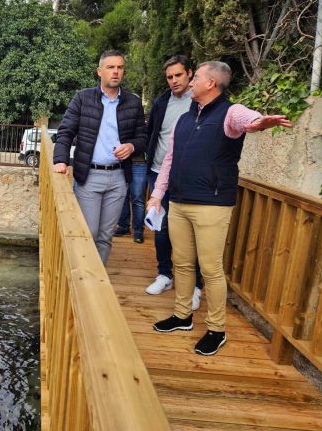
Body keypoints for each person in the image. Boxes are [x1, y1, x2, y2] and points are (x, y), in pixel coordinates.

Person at [146, 61, 291, 356]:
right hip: (179, 201)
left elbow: (246, 120)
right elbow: (169, 160)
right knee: (182, 264)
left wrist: (260, 122)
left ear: (211, 83)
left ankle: (216, 329)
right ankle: (183, 316)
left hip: (211, 205)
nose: (191, 80)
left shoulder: (230, 112)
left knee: (210, 270)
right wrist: (157, 195)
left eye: (196, 76)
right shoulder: (185, 119)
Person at [53, 50, 147, 264]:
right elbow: (65, 131)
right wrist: (60, 160)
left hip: (119, 178)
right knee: (88, 233)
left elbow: (143, 137)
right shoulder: (83, 98)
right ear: (99, 71)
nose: (116, 72)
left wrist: (132, 146)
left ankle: (99, 280)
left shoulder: (133, 102)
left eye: (120, 67)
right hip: (89, 175)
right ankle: (83, 281)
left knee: (105, 237)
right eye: (110, 67)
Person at [145, 55, 203, 311]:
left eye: (178, 75)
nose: (174, 81)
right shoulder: (161, 102)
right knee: (161, 229)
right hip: (159, 173)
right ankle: (165, 275)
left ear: (189, 73)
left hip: (189, 178)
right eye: (169, 77)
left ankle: (196, 286)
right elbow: (153, 134)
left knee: (193, 231)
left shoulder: (201, 102)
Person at [114, 156, 147, 243]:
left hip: (140, 162)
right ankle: (123, 226)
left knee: (138, 198)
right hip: (121, 163)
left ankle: (138, 230)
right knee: (122, 196)